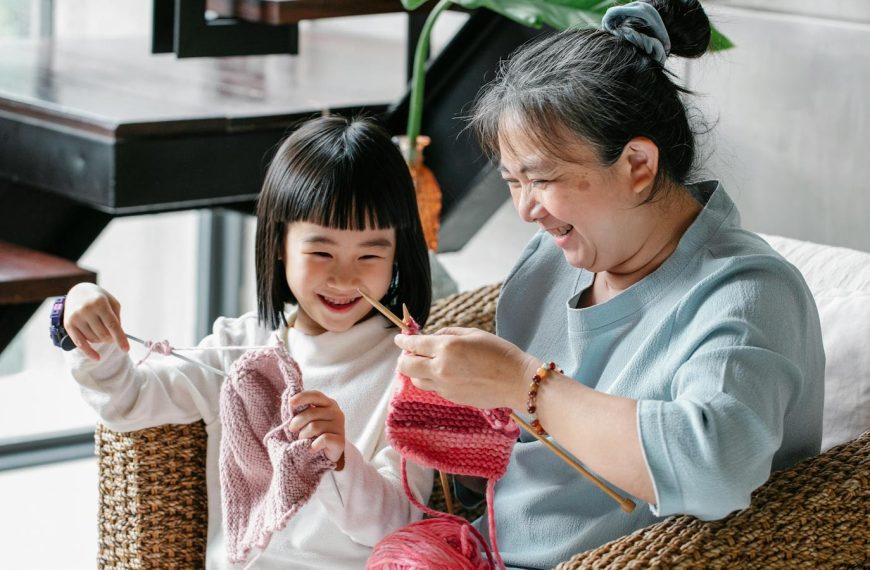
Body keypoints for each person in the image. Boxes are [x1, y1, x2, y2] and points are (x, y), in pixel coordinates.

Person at [393, 1, 825, 568]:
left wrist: (523, 384)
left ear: (637, 165)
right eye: (512, 182)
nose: (526, 210)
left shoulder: (747, 294)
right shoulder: (551, 262)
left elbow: (715, 468)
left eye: (542, 179)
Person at [59, 115, 434, 569]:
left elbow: (401, 524)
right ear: (279, 245)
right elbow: (128, 400)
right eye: (320, 252)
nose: (344, 277)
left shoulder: (412, 370)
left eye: (370, 255)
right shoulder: (240, 347)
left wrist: (340, 459)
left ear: (398, 255)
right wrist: (84, 318)